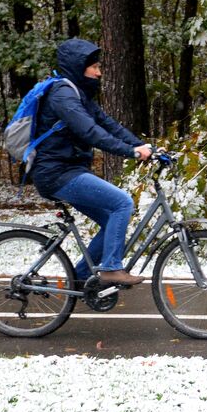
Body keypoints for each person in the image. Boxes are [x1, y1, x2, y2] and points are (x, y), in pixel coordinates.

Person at [30, 38, 153, 287]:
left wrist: (144, 145)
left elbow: (109, 125)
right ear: (79, 66)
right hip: (56, 173)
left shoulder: (80, 96)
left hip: (68, 170)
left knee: (111, 218)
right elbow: (90, 132)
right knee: (121, 202)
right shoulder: (62, 95)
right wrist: (131, 152)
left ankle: (80, 277)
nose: (99, 72)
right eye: (95, 67)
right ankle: (110, 268)